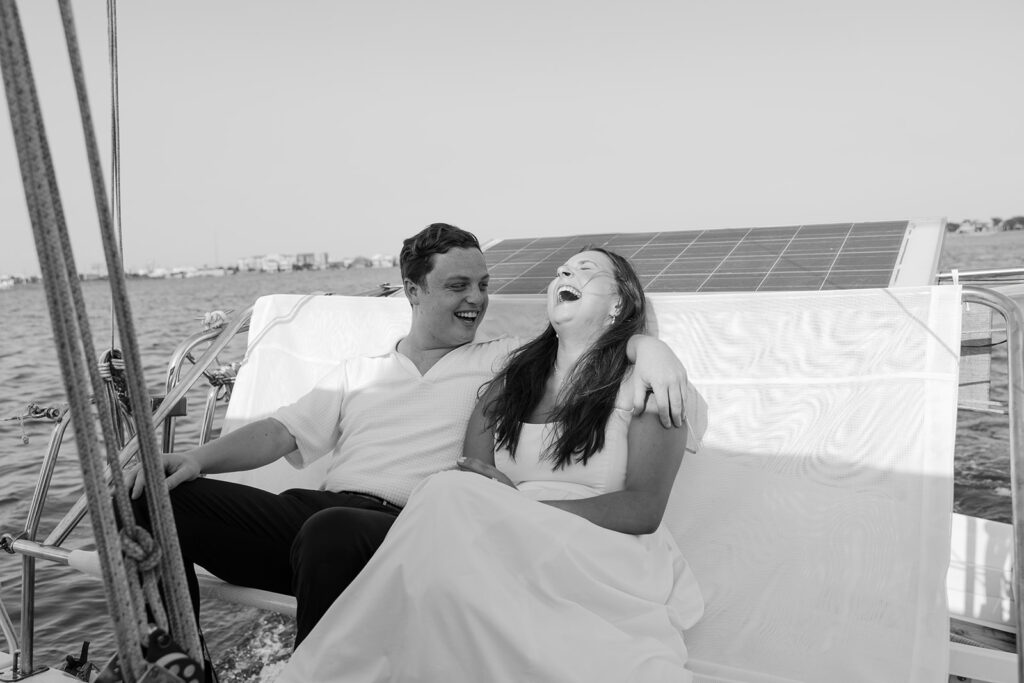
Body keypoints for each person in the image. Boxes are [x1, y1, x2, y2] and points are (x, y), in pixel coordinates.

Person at [126, 224, 693, 651]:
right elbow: (277, 433)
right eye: (457, 285)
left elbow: (586, 343)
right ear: (412, 291)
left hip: (411, 528)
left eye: (483, 285)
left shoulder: (506, 361)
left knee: (333, 532)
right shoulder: (360, 371)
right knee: (148, 499)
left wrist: (652, 348)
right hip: (316, 519)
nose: (476, 298)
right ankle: (179, 665)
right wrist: (196, 461)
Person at [279, 247, 705, 682]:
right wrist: (506, 510)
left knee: (443, 501)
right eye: (562, 269)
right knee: (437, 502)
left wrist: (519, 508)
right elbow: (473, 473)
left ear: (618, 302)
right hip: (508, 537)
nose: (565, 273)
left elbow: (643, 510)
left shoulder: (651, 382)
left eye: (585, 270)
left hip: (601, 548)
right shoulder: (512, 380)